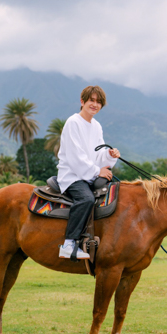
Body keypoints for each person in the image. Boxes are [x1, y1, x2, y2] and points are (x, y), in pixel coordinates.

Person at [57, 85, 120, 259]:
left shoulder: (96, 126)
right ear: (82, 101)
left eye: (99, 102)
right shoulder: (73, 122)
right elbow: (75, 157)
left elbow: (97, 154)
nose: (95, 104)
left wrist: (109, 154)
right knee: (86, 198)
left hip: (87, 174)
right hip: (72, 175)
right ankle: (69, 244)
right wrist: (96, 172)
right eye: (91, 100)